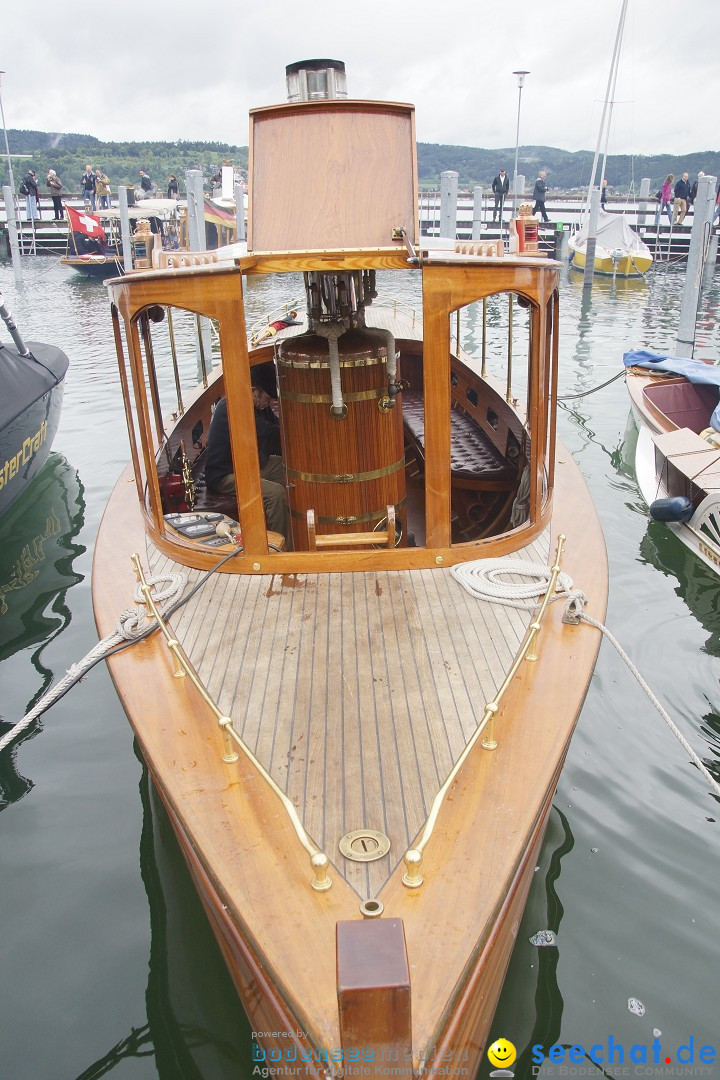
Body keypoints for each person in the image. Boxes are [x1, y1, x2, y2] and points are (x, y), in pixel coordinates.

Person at [204, 368, 290, 544]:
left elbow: (277, 428)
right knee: (276, 493)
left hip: (252, 463)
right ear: (253, 391)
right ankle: (278, 548)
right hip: (225, 474)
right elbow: (269, 434)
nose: (271, 402)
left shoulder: (258, 405)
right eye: (269, 397)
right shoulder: (233, 407)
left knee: (293, 469)